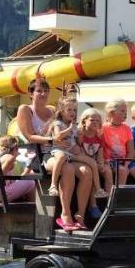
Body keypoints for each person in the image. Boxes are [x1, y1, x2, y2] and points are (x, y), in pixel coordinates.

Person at [44, 96, 94, 231]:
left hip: (70, 155)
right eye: (69, 109)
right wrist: (69, 130)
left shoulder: (74, 125)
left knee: (86, 171)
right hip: (52, 155)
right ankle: (65, 214)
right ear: (61, 110)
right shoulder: (57, 123)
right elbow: (57, 137)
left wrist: (79, 140)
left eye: (74, 110)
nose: (72, 112)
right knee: (68, 168)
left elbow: (77, 140)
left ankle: (80, 215)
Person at [77, 108, 113, 220]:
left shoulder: (99, 137)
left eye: (97, 121)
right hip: (83, 162)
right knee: (92, 172)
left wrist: (101, 164)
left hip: (95, 162)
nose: (95, 122)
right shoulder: (81, 135)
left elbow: (100, 153)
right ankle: (93, 205)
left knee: (107, 171)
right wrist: (95, 165)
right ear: (84, 121)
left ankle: (110, 203)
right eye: (92, 120)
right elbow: (81, 153)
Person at [102, 99, 135, 185]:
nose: (125, 113)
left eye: (126, 111)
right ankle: (118, 197)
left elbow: (131, 151)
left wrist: (126, 164)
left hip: (126, 160)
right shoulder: (103, 128)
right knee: (122, 171)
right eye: (122, 111)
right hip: (111, 161)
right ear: (111, 113)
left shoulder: (127, 128)